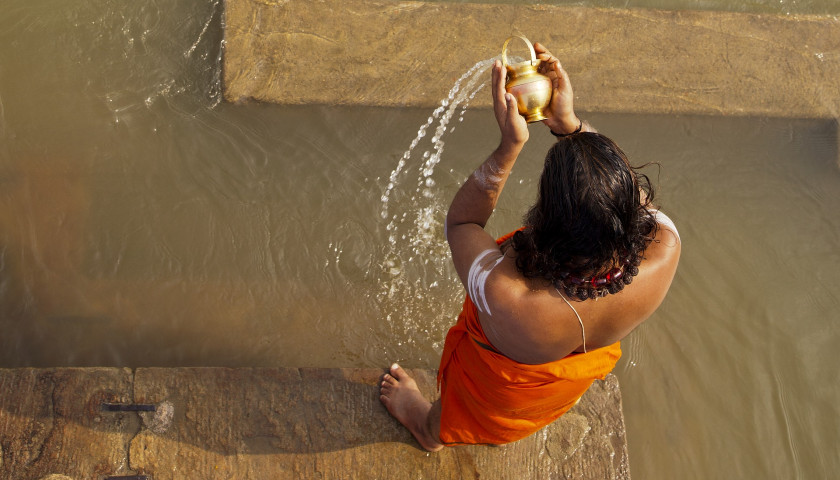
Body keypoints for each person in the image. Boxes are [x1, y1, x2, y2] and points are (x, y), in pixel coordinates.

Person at [379, 42, 681, 451]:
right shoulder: (665, 248)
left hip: (497, 390)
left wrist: (509, 147)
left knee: (457, 414)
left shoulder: (512, 297)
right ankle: (505, 429)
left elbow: (462, 223)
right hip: (557, 389)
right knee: (529, 409)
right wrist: (568, 124)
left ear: (547, 218)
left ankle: (427, 429)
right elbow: (626, 198)